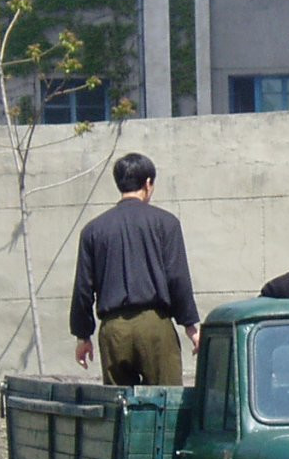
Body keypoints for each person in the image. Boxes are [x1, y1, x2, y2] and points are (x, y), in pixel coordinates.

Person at [70, 152, 201, 385]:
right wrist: (191, 327)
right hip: (155, 325)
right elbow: (177, 278)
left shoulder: (93, 230)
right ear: (148, 183)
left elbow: (83, 288)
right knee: (165, 403)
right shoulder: (166, 223)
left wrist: (83, 336)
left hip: (113, 330)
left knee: (122, 409)